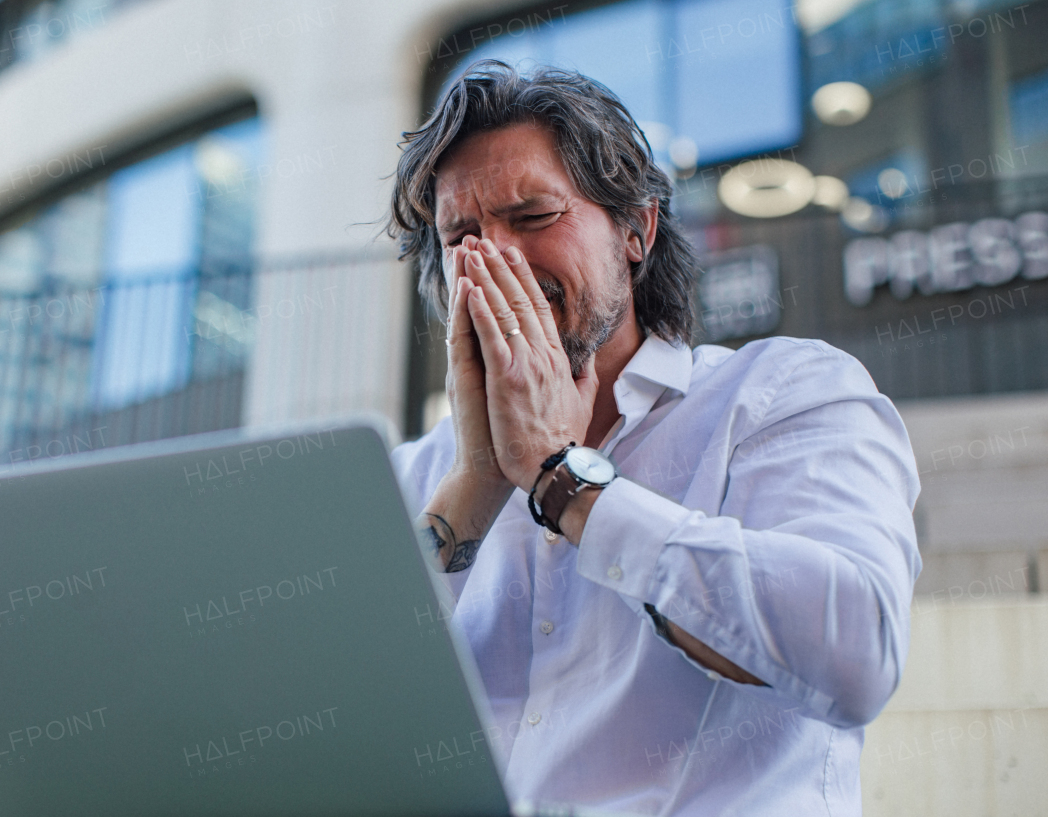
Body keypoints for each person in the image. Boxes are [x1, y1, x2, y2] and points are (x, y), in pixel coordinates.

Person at [387, 61, 920, 816]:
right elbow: (330, 723)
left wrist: (562, 478)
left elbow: (856, 654)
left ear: (636, 230)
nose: (499, 257)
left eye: (534, 217)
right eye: (462, 235)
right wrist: (478, 482)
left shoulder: (779, 395)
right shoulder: (416, 476)